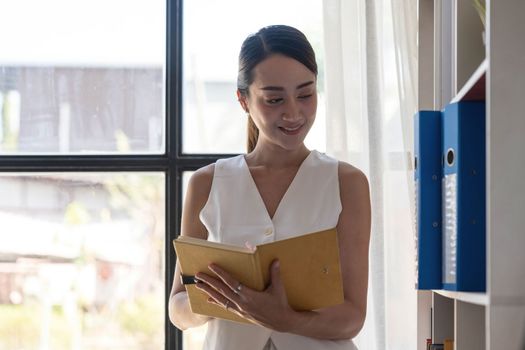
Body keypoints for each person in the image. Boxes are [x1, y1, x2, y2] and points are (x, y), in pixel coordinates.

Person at [168, 24, 371, 350]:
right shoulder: (207, 184)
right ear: (243, 100)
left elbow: (352, 316)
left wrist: (284, 318)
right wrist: (219, 297)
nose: (293, 112)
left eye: (305, 94)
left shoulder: (347, 183)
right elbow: (178, 307)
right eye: (274, 99)